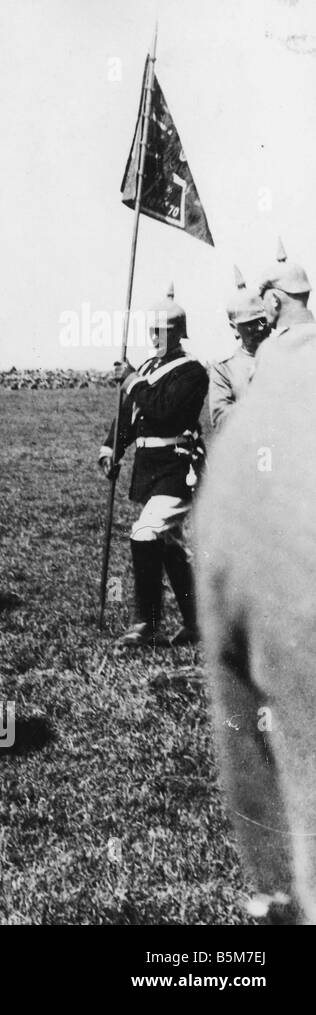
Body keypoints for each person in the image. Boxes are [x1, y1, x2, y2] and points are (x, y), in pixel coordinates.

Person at [195, 239, 316, 924]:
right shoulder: (231, 374)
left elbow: (240, 721)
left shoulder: (256, 421)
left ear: (267, 311)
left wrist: (272, 885)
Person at [98, 284, 207, 649]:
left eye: (164, 330)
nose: (156, 336)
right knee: (169, 543)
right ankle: (196, 623)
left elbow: (162, 409)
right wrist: (112, 448)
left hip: (178, 469)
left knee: (145, 532)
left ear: (179, 332)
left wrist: (131, 380)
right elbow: (129, 416)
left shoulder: (192, 372)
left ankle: (147, 623)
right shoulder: (146, 368)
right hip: (151, 469)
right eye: (153, 330)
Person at [208, 265, 271, 429]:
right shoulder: (224, 370)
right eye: (250, 324)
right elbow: (220, 420)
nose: (259, 328)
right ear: (234, 328)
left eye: (262, 321)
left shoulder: (286, 356)